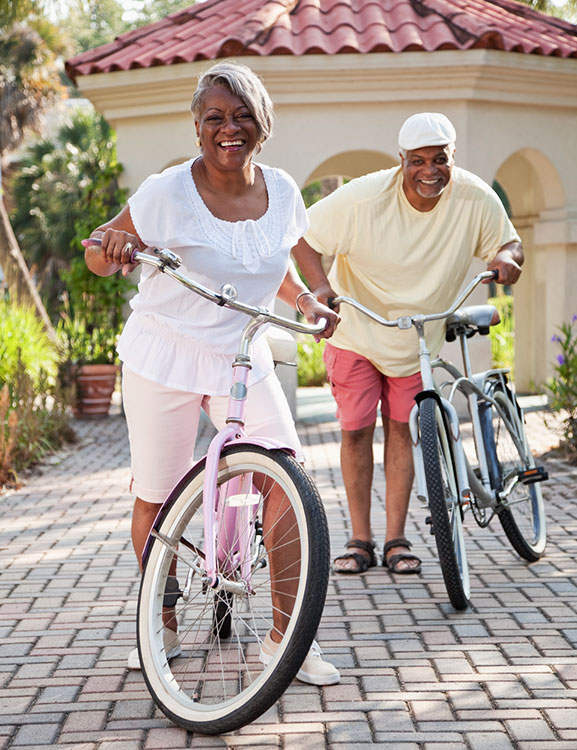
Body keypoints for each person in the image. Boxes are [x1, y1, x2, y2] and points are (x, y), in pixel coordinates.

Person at [84, 61, 340, 685]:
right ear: (197, 127)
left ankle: (285, 640)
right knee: (159, 490)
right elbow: (98, 248)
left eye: (243, 115)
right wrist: (110, 249)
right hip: (164, 352)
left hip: (240, 354)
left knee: (287, 476)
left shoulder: (280, 190)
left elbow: (274, 257)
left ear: (263, 124)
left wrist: (310, 297)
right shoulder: (166, 192)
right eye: (216, 118)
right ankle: (160, 624)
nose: (230, 128)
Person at [292, 112, 523, 575]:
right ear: (401, 161)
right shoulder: (363, 198)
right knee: (356, 431)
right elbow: (301, 237)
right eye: (417, 161)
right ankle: (360, 539)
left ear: (452, 157)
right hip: (356, 327)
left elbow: (509, 244)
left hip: (417, 335)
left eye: (440, 159)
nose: (429, 171)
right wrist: (319, 289)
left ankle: (396, 539)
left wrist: (505, 258)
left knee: (402, 431)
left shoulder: (475, 197)